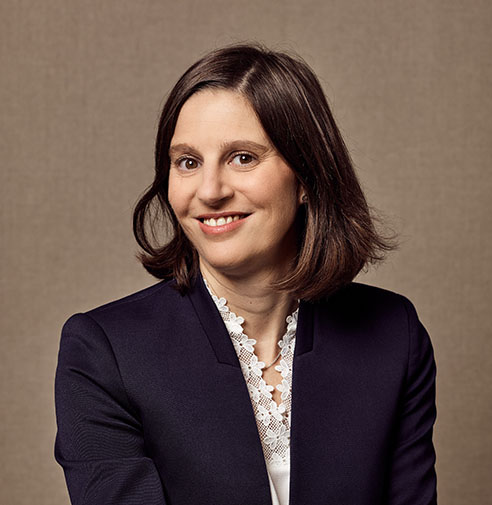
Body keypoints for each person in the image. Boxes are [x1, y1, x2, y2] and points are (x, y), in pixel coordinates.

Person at [54, 43, 437, 505]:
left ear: (307, 177)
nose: (210, 191)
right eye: (188, 162)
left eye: (242, 157)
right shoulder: (104, 351)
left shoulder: (393, 336)